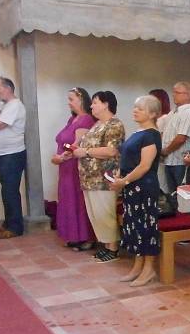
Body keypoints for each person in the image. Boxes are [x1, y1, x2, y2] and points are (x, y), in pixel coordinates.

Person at [109, 95, 162, 285]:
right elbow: (128, 160)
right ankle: (137, 267)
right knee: (134, 227)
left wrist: (124, 181)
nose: (135, 110)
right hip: (132, 185)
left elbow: (145, 166)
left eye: (140, 108)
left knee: (146, 227)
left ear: (153, 113)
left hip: (144, 187)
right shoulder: (139, 132)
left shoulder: (151, 135)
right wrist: (120, 177)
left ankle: (149, 270)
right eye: (135, 107)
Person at [72, 91, 125, 263]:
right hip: (89, 178)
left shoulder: (114, 125)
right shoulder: (96, 125)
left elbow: (112, 150)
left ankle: (113, 248)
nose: (92, 106)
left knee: (105, 213)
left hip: (104, 178)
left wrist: (85, 151)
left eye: (95, 102)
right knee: (95, 214)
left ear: (106, 104)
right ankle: (105, 245)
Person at [51, 87, 96, 250]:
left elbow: (77, 144)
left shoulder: (85, 120)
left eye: (71, 99)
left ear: (82, 99)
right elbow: (66, 143)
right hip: (65, 166)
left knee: (77, 201)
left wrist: (62, 155)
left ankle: (85, 237)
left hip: (74, 166)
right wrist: (60, 155)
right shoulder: (72, 120)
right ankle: (72, 235)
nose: (68, 103)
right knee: (67, 200)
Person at [0, 77, 26, 239]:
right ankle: (8, 223)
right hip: (2, 155)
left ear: (8, 88)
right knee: (6, 191)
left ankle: (15, 227)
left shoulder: (15, 105)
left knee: (10, 192)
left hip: (11, 155)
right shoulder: (7, 105)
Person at [161, 81, 190, 193]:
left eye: (177, 92)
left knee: (181, 196)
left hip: (180, 162)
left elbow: (181, 137)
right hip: (169, 161)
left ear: (187, 95)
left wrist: (166, 151)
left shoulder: (189, 113)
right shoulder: (173, 112)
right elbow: (164, 132)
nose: (173, 95)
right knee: (171, 195)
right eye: (173, 92)